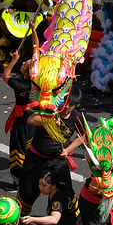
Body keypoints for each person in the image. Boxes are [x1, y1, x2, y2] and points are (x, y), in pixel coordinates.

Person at [16, 86, 84, 216]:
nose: (67, 107)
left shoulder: (77, 117)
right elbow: (31, 120)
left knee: (63, 190)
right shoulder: (49, 109)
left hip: (57, 161)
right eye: (66, 102)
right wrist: (49, 118)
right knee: (27, 189)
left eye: (72, 104)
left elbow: (83, 136)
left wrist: (68, 149)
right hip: (36, 158)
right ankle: (21, 215)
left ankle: (56, 218)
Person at [1, 50, 33, 179]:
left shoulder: (20, 85)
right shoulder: (39, 84)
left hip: (22, 120)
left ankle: (18, 178)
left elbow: (5, 76)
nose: (23, 62)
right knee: (30, 144)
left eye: (26, 64)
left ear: (28, 72)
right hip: (34, 117)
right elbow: (36, 48)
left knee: (17, 146)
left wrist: (14, 60)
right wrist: (34, 31)